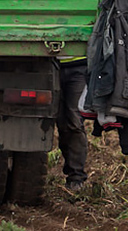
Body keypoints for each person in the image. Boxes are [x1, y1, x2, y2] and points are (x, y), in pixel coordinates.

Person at [56, 56, 89, 191]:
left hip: (80, 66)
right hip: (47, 63)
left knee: (75, 122)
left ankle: (76, 176)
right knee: (62, 123)